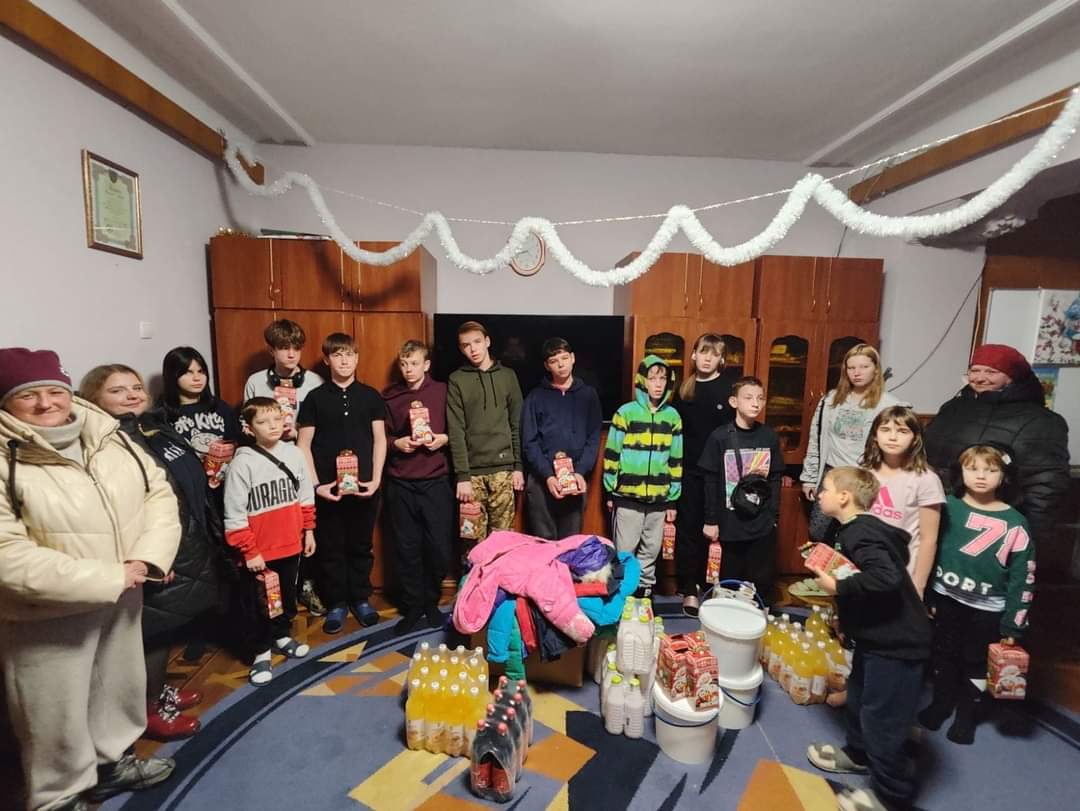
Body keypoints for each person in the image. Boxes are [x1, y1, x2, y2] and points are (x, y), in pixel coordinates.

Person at [0, 348, 180, 810]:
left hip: (125, 591)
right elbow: (6, 555)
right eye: (28, 396)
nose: (46, 403)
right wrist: (109, 576)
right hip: (48, 611)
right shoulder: (6, 456)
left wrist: (147, 558)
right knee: (52, 712)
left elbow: (158, 493)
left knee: (116, 688)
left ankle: (110, 764)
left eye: (54, 391)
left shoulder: (107, 434)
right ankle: (58, 797)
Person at [80, 364, 220, 742]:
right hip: (153, 555)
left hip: (182, 541)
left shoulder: (151, 427)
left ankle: (156, 693)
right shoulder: (102, 444)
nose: (132, 395)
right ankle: (147, 711)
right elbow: (118, 508)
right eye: (117, 390)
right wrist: (152, 555)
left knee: (164, 629)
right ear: (93, 399)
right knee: (150, 634)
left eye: (136, 387)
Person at [805, 467, 931, 811]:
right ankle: (858, 754)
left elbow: (886, 577)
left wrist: (837, 586)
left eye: (826, 489)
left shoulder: (861, 533)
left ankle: (891, 794)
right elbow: (870, 577)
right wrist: (846, 618)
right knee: (859, 696)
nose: (820, 495)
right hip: (875, 637)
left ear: (844, 497)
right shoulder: (853, 529)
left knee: (882, 719)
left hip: (898, 644)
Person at [918, 445, 1033, 745]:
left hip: (988, 608)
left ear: (1004, 476)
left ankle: (966, 714)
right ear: (960, 472)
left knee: (975, 662)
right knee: (943, 654)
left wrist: (1013, 625)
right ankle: (941, 703)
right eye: (973, 469)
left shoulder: (1016, 522)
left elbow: (1023, 577)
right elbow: (929, 549)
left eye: (991, 470)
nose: (981, 476)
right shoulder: (948, 506)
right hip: (947, 597)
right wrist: (928, 594)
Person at [924, 343, 1069, 552]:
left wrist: (1032, 543)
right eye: (975, 370)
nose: (980, 378)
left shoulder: (1041, 421)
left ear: (1012, 377)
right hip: (939, 514)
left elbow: (1045, 486)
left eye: (991, 372)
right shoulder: (953, 407)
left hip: (990, 529)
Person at [296, 333, 386, 633]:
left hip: (364, 487)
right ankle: (336, 603)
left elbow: (379, 439)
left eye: (349, 354)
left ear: (357, 358)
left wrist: (376, 479)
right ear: (326, 360)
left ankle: (360, 599)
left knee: (361, 545)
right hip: (328, 490)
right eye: (337, 355)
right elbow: (303, 444)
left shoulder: (371, 396)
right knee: (331, 548)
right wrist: (316, 485)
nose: (344, 360)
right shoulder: (315, 398)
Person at [224, 397, 316, 685]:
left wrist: (309, 531)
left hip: (291, 543)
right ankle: (261, 652)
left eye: (277, 419)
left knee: (286, 597)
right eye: (263, 422)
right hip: (260, 551)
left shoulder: (294, 453)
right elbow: (234, 514)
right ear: (249, 428)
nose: (273, 426)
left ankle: (281, 636)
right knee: (259, 604)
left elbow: (305, 496)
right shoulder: (242, 463)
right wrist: (249, 551)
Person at [243, 319, 326, 617]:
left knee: (307, 525)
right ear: (271, 350)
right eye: (283, 348)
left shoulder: (314, 381)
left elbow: (322, 424)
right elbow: (248, 423)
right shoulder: (256, 381)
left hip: (301, 459)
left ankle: (306, 586)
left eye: (296, 348)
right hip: (266, 462)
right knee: (273, 529)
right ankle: (274, 595)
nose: (291, 354)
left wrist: (297, 430)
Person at [382, 339, 454, 635]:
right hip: (401, 482)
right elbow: (380, 437)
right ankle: (412, 606)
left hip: (436, 481)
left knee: (438, 547)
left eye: (414, 363)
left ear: (426, 365)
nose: (408, 369)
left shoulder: (443, 391)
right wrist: (396, 443)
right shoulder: (390, 396)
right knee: (406, 548)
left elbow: (458, 429)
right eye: (404, 364)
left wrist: (444, 439)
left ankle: (430, 601)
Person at [800, 344, 905, 541]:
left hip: (865, 477)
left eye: (864, 367)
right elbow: (816, 440)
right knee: (819, 532)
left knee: (857, 534)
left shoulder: (890, 405)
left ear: (875, 369)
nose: (857, 372)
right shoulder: (830, 401)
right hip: (832, 474)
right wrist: (810, 478)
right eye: (851, 367)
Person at [603, 354, 683, 598]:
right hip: (628, 495)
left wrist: (672, 499)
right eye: (653, 378)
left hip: (659, 498)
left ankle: (644, 589)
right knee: (626, 547)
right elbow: (612, 453)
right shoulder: (625, 413)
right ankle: (623, 591)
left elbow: (676, 459)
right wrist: (611, 489)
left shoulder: (673, 417)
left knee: (652, 547)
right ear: (642, 381)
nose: (658, 384)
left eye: (663, 379)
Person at [697, 376, 782, 601]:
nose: (755, 403)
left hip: (761, 521)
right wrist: (711, 520)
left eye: (760, 398)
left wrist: (773, 515)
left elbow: (775, 478)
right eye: (748, 398)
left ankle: (758, 615)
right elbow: (710, 481)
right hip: (730, 522)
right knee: (728, 580)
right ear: (734, 402)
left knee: (761, 580)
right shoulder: (719, 437)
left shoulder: (769, 436)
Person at [672, 333, 735, 614]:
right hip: (689, 472)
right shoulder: (684, 390)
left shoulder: (728, 390)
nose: (708, 358)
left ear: (721, 359)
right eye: (703, 352)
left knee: (717, 533)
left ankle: (715, 586)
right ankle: (689, 588)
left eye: (714, 354)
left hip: (720, 475)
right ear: (694, 355)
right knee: (688, 530)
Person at [447, 321, 525, 540]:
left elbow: (516, 424)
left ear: (487, 341)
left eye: (477, 342)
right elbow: (456, 430)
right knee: (471, 539)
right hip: (471, 475)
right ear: (461, 349)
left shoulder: (508, 376)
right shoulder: (456, 380)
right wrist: (462, 476)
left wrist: (518, 466)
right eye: (466, 345)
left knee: (503, 540)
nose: (473, 349)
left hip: (503, 471)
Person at [521, 337, 602, 539]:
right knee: (543, 541)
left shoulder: (588, 395)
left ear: (572, 358)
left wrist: (580, 472)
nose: (561, 364)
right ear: (547, 366)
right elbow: (529, 442)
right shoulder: (535, 397)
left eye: (565, 358)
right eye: (554, 361)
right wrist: (548, 476)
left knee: (571, 541)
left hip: (575, 479)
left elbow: (593, 439)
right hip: (542, 480)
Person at [861, 406, 945, 598]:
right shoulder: (865, 472)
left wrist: (919, 585)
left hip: (902, 574)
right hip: (866, 568)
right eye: (885, 430)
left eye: (902, 431)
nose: (892, 437)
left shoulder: (926, 479)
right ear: (875, 436)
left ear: (915, 438)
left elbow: (928, 539)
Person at [157, 346, 240, 458]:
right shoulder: (161, 414)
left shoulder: (220, 407)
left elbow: (235, 443)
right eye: (188, 372)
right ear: (172, 376)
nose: (197, 378)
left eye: (201, 371)